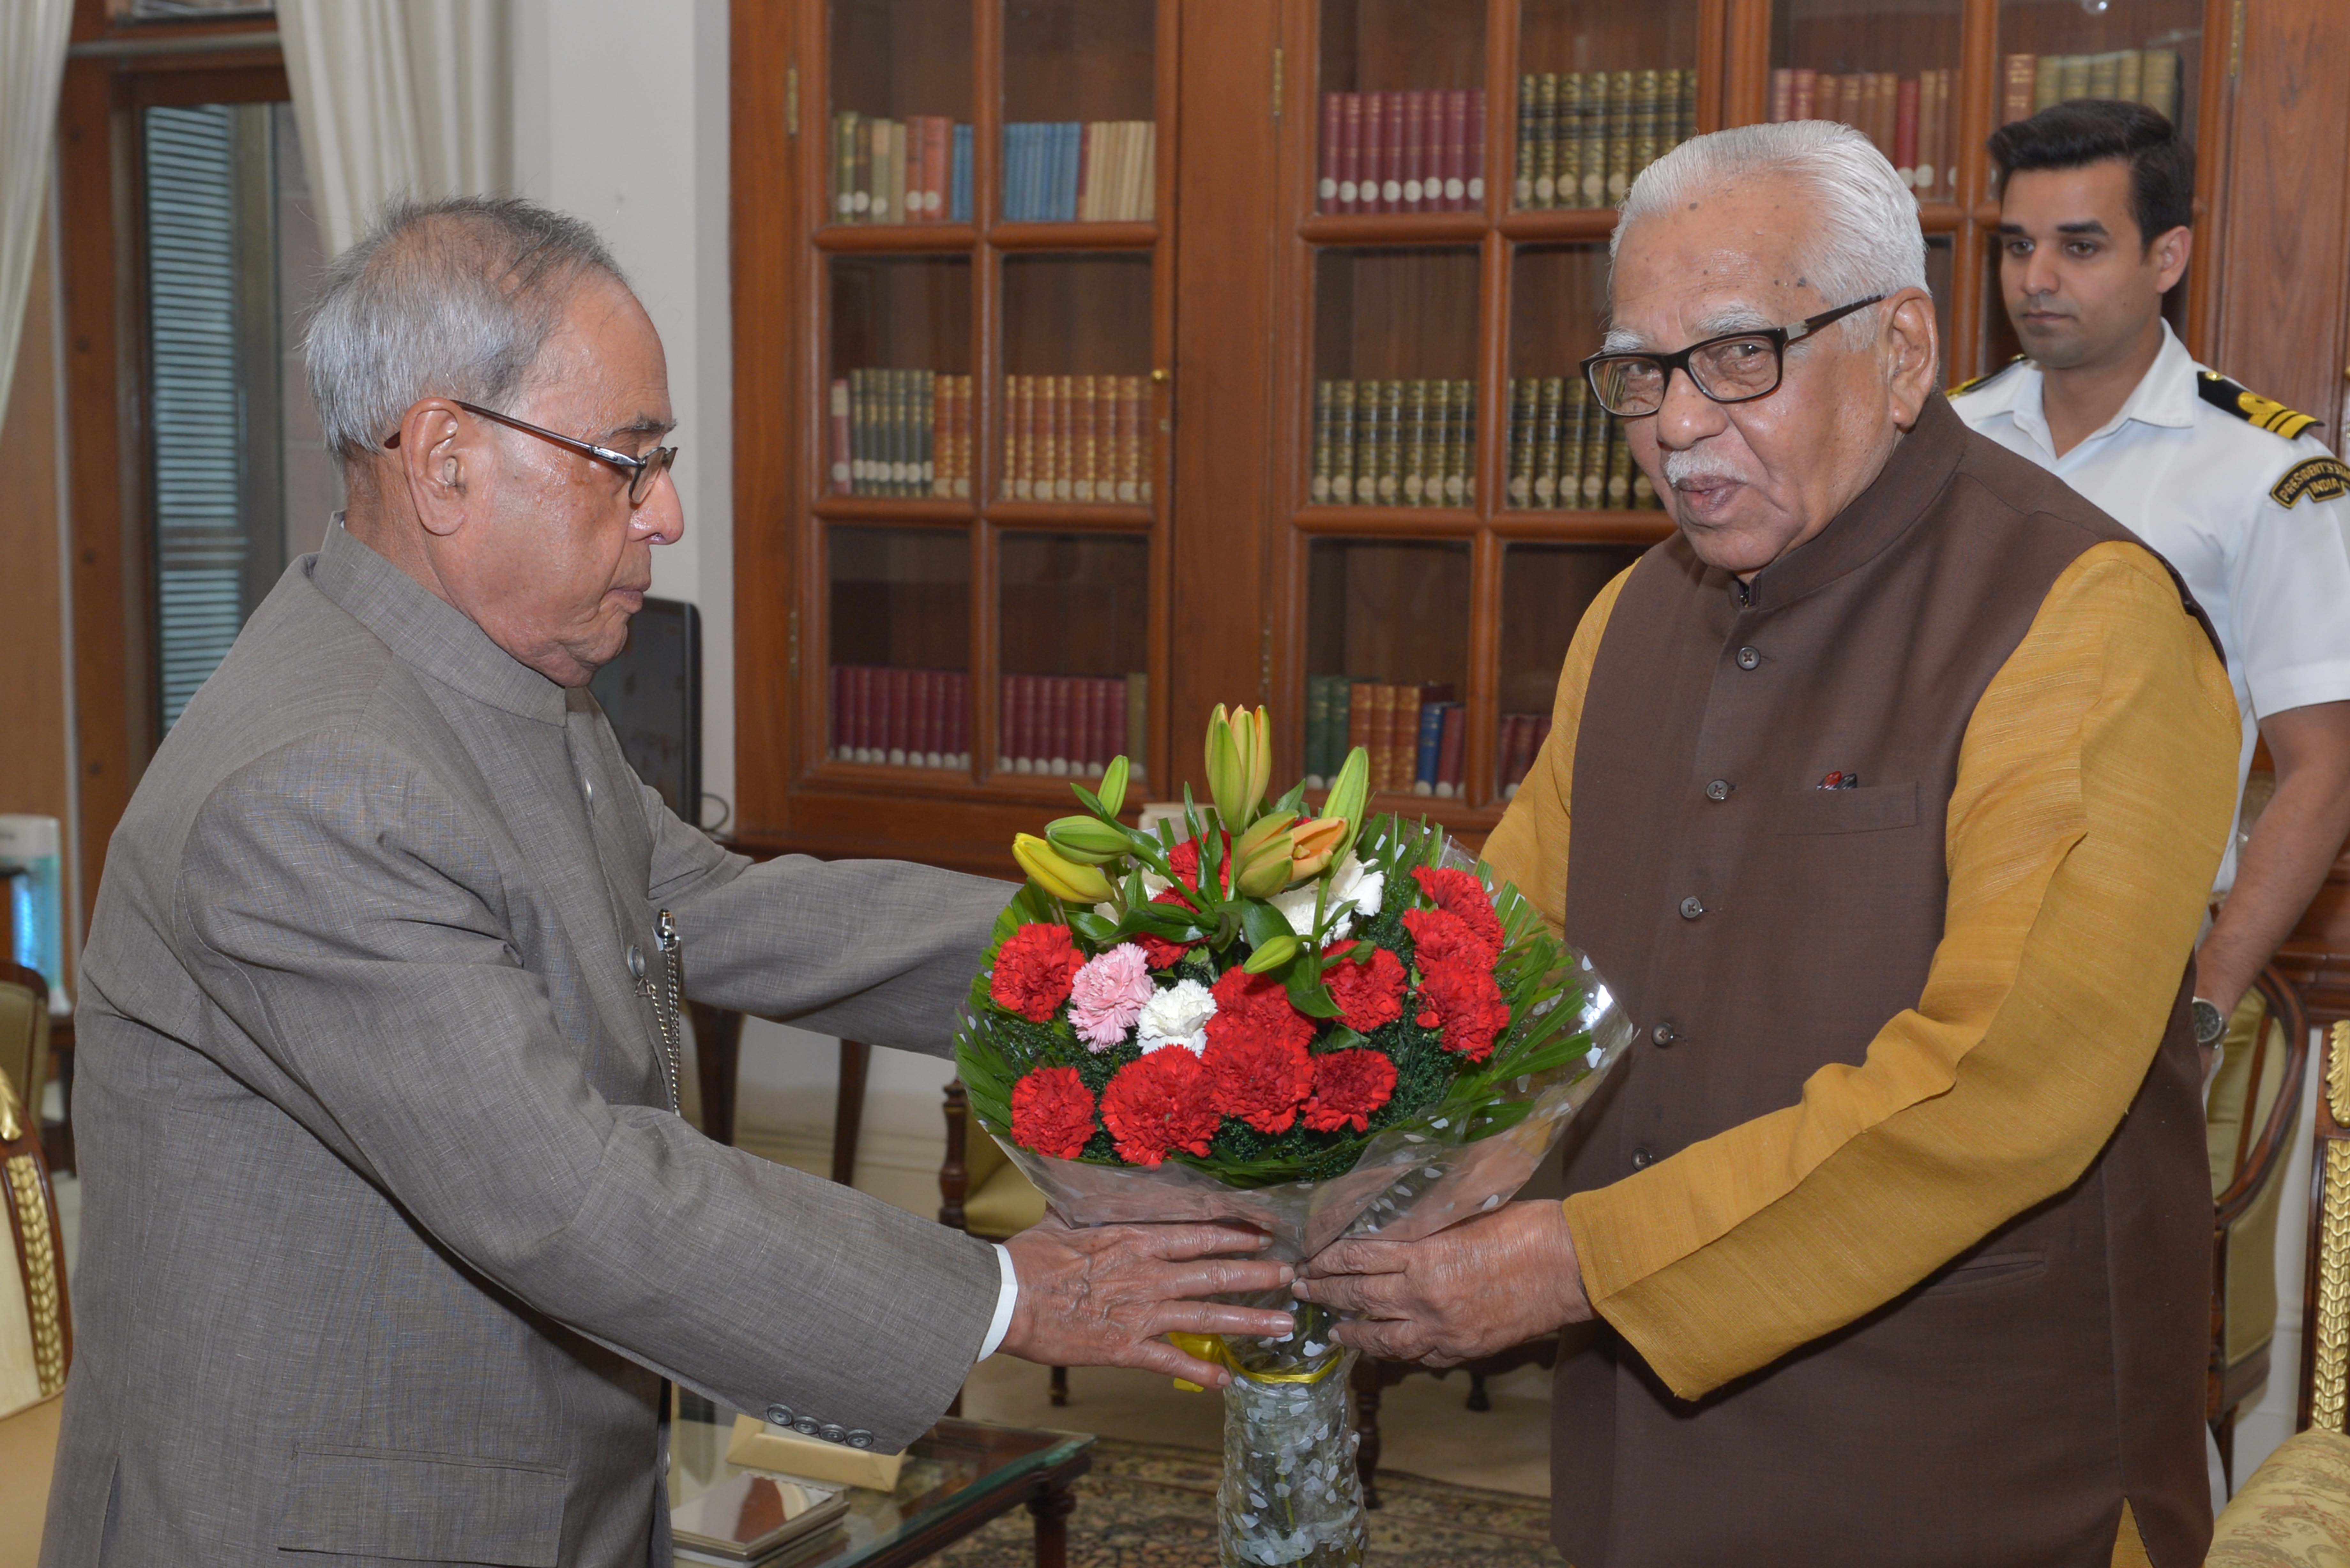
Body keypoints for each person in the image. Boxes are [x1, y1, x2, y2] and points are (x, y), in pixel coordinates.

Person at [42, 197, 1295, 1566]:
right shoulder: (313, 791)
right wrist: (998, 1296)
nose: (670, 513)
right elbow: (577, 1197)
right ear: (446, 462)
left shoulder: (486, 687)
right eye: (625, 464)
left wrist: (1142, 962)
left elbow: (729, 908)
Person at [1296, 122, 2238, 1566]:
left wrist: (1575, 1260)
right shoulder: (1630, 622)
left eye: (1740, 355)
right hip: (1644, 1447)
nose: (1675, 423)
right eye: (1638, 373)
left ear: (1904, 349)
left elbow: (1999, 1085)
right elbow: (1498, 975)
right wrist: (1304, 1157)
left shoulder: (2082, 616)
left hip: (1968, 1467)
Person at [1954, 99, 2350, 1068]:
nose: (2036, 280)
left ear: (2166, 258)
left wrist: (2210, 994)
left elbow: (2327, 767)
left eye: (2080, 248)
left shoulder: (2266, 471)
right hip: (1938, 949)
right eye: (2016, 246)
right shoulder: (1944, 443)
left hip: (2150, 966)